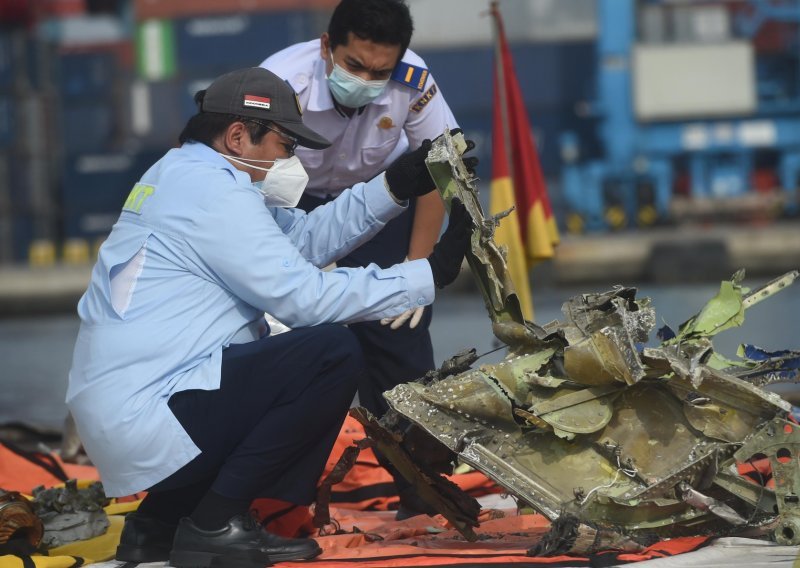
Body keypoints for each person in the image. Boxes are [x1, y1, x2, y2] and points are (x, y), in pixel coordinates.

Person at [66, 66, 473, 568]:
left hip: (131, 408)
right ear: (238, 134)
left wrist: (392, 187)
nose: (289, 158)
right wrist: (426, 275)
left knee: (272, 358)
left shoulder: (184, 174)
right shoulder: (213, 194)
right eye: (284, 143)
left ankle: (158, 524)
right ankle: (216, 522)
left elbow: (298, 242)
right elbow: (304, 298)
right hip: (151, 410)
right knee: (327, 353)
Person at [260, 0, 470, 516]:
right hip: (287, 207)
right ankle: (274, 501)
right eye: (354, 66)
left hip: (380, 203)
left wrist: (415, 266)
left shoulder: (414, 81)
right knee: (289, 350)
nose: (367, 80)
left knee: (400, 343)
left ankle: (421, 497)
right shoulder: (279, 82)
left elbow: (436, 174)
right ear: (328, 47)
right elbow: (241, 179)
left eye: (380, 72)